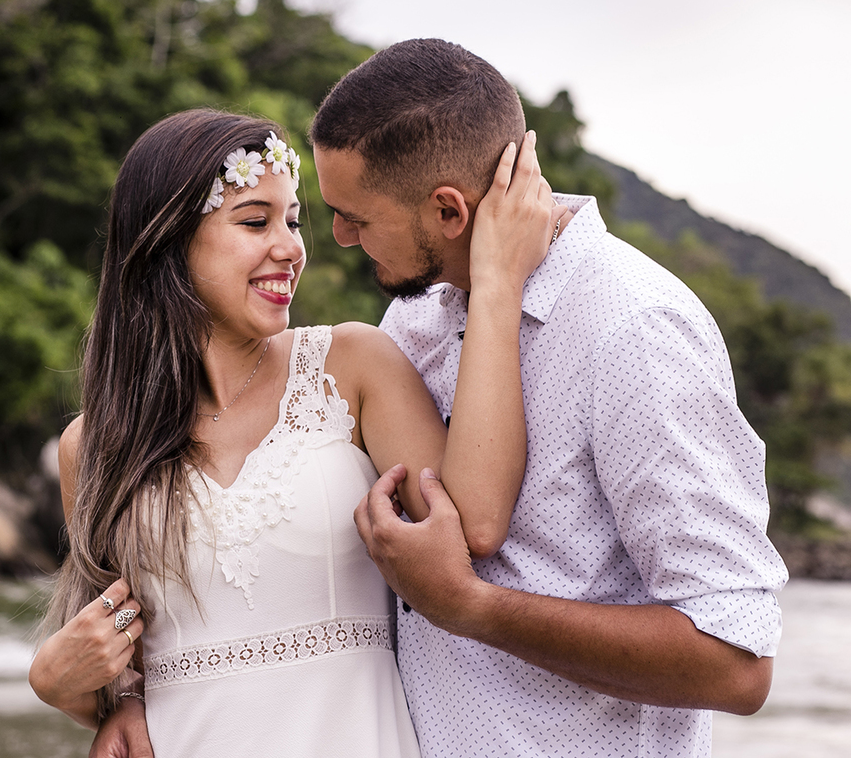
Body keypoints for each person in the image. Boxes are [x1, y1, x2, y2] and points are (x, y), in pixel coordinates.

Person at [28, 107, 562, 756]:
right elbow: (122, 671)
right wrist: (57, 684)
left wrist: (497, 284)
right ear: (167, 239)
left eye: (292, 220)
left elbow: (474, 522)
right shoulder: (94, 447)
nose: (290, 246)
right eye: (255, 221)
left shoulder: (353, 365)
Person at [313, 39, 789, 757]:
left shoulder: (637, 329)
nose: (342, 238)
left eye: (356, 216)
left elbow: (737, 663)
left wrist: (475, 609)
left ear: (448, 211)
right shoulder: (414, 314)